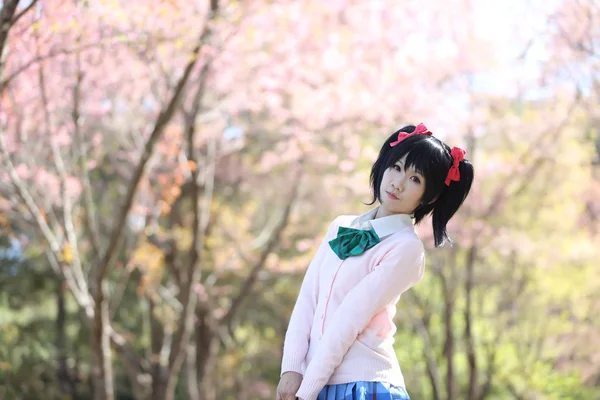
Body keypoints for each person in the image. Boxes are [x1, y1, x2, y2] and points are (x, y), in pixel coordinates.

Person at [275, 123, 474, 400]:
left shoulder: (405, 248)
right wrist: (291, 369)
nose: (398, 183)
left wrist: (306, 391)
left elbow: (349, 318)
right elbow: (308, 299)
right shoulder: (340, 226)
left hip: (364, 386)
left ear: (429, 196)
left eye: (415, 179)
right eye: (397, 167)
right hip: (315, 381)